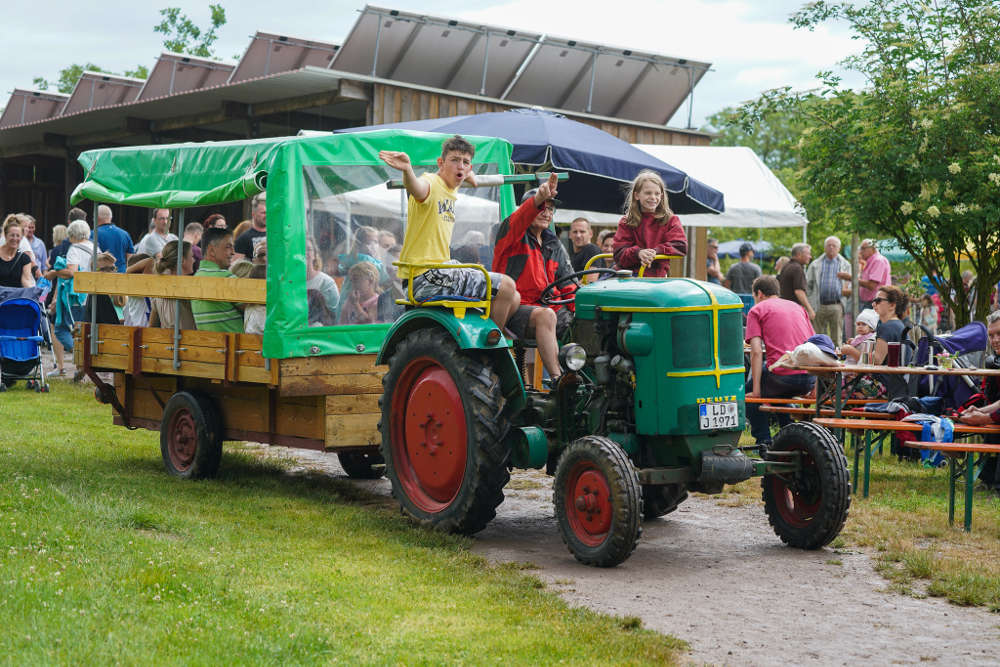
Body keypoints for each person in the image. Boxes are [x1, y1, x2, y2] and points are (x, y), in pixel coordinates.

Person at [378, 134, 519, 330]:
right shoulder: (431, 183)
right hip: (424, 276)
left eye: (465, 162)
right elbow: (418, 188)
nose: (460, 166)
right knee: (507, 286)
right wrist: (408, 170)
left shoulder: (451, 185)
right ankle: (488, 344)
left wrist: (468, 174)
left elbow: (469, 177)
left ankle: (489, 333)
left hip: (441, 270)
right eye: (454, 160)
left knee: (515, 296)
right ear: (441, 163)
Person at [492, 178, 575, 380]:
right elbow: (520, 217)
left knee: (588, 324)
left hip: (550, 308)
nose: (547, 213)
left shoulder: (554, 245)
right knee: (546, 316)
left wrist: (578, 311)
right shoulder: (511, 236)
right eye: (542, 208)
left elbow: (568, 283)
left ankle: (588, 380)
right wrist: (539, 198)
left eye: (550, 209)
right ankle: (559, 380)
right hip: (513, 309)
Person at [744, 275, 816, 447]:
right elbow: (816, 345)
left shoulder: (757, 310)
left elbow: (755, 352)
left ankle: (764, 443)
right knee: (776, 393)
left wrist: (755, 392)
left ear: (759, 294)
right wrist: (815, 385)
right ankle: (791, 437)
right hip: (808, 378)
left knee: (748, 397)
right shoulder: (798, 308)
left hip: (782, 377)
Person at [612, 170, 687, 278]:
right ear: (637, 195)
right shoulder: (627, 221)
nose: (653, 197)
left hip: (655, 278)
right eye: (648, 193)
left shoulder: (670, 220)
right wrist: (638, 253)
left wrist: (654, 252)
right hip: (627, 277)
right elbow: (619, 253)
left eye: (657, 193)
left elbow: (680, 245)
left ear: (661, 196)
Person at [44, 219, 93, 380]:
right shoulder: (94, 247)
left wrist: (54, 273)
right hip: (89, 295)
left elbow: (72, 272)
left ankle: (83, 360)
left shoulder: (74, 249)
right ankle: (83, 362)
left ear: (72, 235)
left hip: (74, 296)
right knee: (81, 331)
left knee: (60, 329)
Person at [958, 311, 1000, 491]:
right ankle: (989, 479)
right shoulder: (993, 361)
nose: (995, 340)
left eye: (999, 334)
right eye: (991, 335)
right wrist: (981, 411)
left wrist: (986, 417)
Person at [191, 227, 243, 332]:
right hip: (235, 345)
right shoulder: (225, 278)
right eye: (228, 247)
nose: (233, 252)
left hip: (210, 344)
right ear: (212, 251)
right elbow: (252, 308)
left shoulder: (196, 277)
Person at [805, 236, 851, 346]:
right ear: (825, 248)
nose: (831, 247)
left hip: (836, 305)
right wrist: (810, 303)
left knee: (837, 337)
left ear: (838, 248)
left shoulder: (845, 264)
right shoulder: (815, 264)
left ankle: (836, 360)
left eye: (834, 245)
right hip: (818, 304)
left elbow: (850, 285)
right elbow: (808, 285)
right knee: (818, 337)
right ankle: (818, 359)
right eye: (828, 245)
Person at [869, 285, 909, 398]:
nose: (873, 304)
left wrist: (851, 351)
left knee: (836, 385)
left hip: (884, 387)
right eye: (873, 300)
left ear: (892, 305)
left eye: (878, 300)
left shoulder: (888, 327)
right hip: (897, 387)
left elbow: (876, 360)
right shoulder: (898, 325)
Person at [148, 241, 196, 330]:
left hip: (166, 341)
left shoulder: (160, 285)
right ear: (182, 260)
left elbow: (151, 325)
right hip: (186, 341)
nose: (194, 260)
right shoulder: (185, 287)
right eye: (192, 256)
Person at [93, 204, 134, 272]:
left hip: (102, 276)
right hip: (122, 275)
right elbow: (131, 259)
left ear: (96, 218)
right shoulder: (125, 234)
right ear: (110, 217)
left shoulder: (93, 234)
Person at [779, 243, 815, 320]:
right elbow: (799, 291)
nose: (810, 257)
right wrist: (810, 309)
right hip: (793, 310)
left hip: (783, 308)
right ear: (799, 254)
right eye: (808, 254)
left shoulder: (786, 266)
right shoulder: (797, 269)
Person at [339, 261, 381, 325]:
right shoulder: (349, 302)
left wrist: (356, 304)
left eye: (356, 280)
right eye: (351, 281)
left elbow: (368, 323)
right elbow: (341, 325)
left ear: (370, 280)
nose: (353, 285)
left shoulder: (377, 301)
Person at [306, 237, 339, 318]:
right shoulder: (287, 282)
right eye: (300, 249)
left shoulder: (326, 282)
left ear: (314, 255)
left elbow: (333, 315)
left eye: (308, 249)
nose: (304, 252)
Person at [0, 215, 36, 288]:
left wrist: (34, 291)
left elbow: (26, 281)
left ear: (22, 237)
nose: (15, 238)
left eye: (18, 236)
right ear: (6, 236)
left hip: (15, 298)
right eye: (12, 235)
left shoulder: (24, 259)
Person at [856, 238, 891, 309]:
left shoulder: (878, 261)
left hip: (874, 303)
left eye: (863, 249)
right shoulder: (870, 261)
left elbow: (872, 285)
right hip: (870, 303)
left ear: (872, 249)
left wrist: (852, 278)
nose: (860, 252)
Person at [233, 193, 267, 262]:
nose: (266, 215)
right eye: (263, 213)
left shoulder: (275, 235)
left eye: (267, 212)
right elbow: (237, 266)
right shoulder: (243, 238)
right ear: (253, 214)